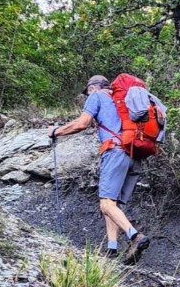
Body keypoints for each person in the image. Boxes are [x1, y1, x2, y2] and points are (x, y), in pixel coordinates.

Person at [49, 74, 151, 262]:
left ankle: (136, 237)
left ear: (93, 88)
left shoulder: (96, 96)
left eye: (88, 91)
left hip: (115, 152)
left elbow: (82, 124)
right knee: (112, 204)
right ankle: (111, 249)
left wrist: (56, 131)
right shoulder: (123, 100)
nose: (87, 94)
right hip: (134, 155)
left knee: (106, 205)